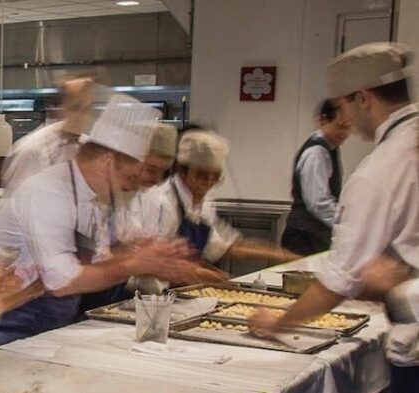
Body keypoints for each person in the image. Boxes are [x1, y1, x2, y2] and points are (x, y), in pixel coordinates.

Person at [251, 42, 419, 392]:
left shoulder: (381, 170)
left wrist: (277, 322)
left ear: (363, 98)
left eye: (344, 107)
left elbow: (337, 282)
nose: (346, 120)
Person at [0, 94, 217, 345]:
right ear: (106, 161)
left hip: (51, 326)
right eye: (130, 177)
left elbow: (98, 259)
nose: (136, 185)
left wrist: (146, 254)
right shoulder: (48, 193)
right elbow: (61, 281)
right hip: (10, 326)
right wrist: (135, 264)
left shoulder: (95, 197)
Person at [137, 130, 299, 268]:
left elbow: (226, 247)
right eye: (201, 175)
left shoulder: (203, 205)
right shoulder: (163, 202)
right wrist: (201, 274)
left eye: (215, 177)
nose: (207, 183)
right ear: (182, 170)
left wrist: (284, 256)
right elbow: (155, 263)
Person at [0, 75, 97, 194]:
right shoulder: (31, 150)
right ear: (60, 108)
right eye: (76, 107)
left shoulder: (89, 148)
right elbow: (16, 200)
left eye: (87, 108)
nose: (83, 115)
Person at [281, 99, 353, 255]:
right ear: (323, 120)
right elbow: (318, 202)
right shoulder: (317, 152)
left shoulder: (329, 149)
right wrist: (346, 225)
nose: (345, 134)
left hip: (313, 234)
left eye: (348, 127)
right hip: (305, 237)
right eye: (340, 127)